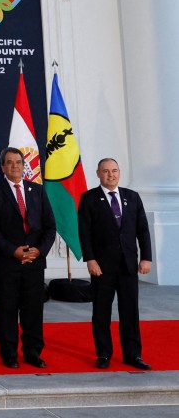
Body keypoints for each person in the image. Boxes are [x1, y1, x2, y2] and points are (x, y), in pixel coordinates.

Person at [0, 147, 56, 369]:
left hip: (34, 262)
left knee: (33, 310)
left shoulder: (38, 191)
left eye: (18, 162)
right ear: (3, 167)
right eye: (10, 162)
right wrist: (13, 250)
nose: (15, 166)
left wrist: (39, 250)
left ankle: (33, 352)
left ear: (25, 166)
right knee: (6, 309)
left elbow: (50, 226)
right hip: (7, 261)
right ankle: (9, 353)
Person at [78, 157, 153, 370]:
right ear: (98, 173)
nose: (110, 175)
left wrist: (146, 258)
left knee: (130, 312)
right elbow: (85, 233)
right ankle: (103, 354)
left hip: (128, 265)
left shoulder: (132, 197)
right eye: (105, 171)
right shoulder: (89, 198)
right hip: (102, 267)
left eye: (114, 170)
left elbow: (143, 230)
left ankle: (133, 355)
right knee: (101, 312)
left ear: (119, 173)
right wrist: (90, 259)